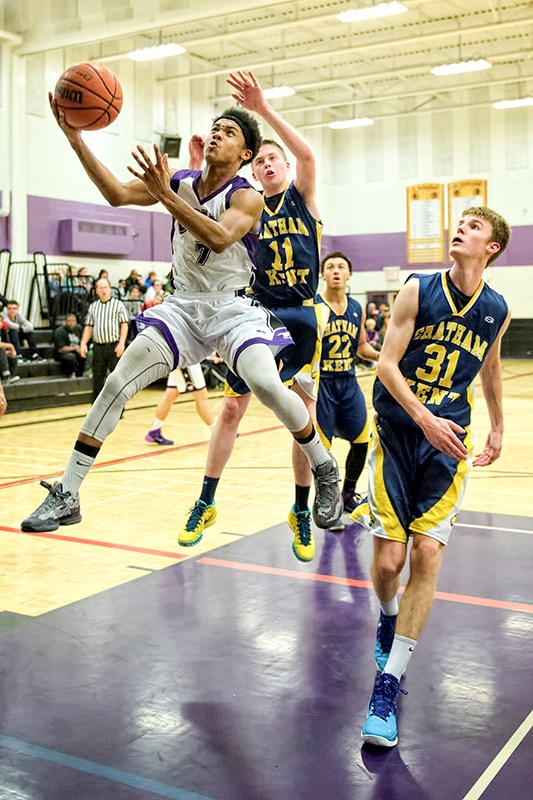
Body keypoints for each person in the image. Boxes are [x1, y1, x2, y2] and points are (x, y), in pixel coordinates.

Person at [21, 94, 341, 536]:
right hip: (183, 306)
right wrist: (75, 138)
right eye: (215, 127)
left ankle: (324, 468)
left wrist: (163, 196)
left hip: (233, 308)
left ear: (244, 154)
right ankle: (67, 494)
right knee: (117, 383)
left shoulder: (247, 196)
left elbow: (218, 237)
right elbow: (115, 194)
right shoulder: (179, 180)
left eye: (229, 132)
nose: (217, 134)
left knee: (266, 383)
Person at [351, 207, 511, 748]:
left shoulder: (497, 309)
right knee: (390, 562)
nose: (459, 229)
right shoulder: (418, 290)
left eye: (472, 226)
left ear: (491, 247)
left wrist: (497, 426)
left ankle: (387, 686)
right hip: (398, 435)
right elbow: (386, 365)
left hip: (449, 447)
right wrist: (423, 417)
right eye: (459, 223)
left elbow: (488, 365)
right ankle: (388, 613)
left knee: (426, 554)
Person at [181, 70, 341, 562]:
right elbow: (201, 218)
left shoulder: (302, 198)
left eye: (277, 158)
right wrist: (194, 167)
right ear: (253, 168)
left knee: (303, 416)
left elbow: (309, 155)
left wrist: (264, 108)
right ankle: (206, 500)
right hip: (254, 314)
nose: (270, 163)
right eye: (263, 158)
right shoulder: (244, 204)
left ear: (285, 167)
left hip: (303, 316)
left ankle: (300, 508)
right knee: (231, 408)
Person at [315, 251, 379, 522]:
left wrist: (385, 355)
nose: (336, 271)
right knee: (321, 450)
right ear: (323, 275)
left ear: (349, 274)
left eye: (342, 267)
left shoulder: (356, 307)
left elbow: (362, 346)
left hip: (348, 381)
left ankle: (349, 493)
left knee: (362, 439)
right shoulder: (314, 306)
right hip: (322, 385)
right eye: (330, 267)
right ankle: (324, 500)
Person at [79, 277, 129, 402]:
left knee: (116, 379)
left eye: (105, 287)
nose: (103, 290)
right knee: (97, 379)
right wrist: (83, 343)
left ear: (110, 289)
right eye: (100, 288)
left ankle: (118, 408)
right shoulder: (94, 307)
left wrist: (122, 343)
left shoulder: (118, 304)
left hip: (114, 345)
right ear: (96, 291)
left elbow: (124, 324)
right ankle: (96, 409)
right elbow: (89, 326)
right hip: (98, 347)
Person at [145, 363, 216, 445]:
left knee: (171, 393)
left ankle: (155, 430)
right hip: (186, 360)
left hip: (181, 358)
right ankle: (217, 432)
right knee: (201, 396)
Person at [53, 312, 85, 377]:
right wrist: (75, 348)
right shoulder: (60, 331)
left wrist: (82, 348)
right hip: (62, 353)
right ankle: (73, 374)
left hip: (76, 351)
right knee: (71, 357)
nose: (71, 323)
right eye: (69, 321)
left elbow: (83, 340)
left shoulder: (78, 329)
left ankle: (85, 373)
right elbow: (61, 349)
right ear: (65, 322)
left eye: (73, 321)